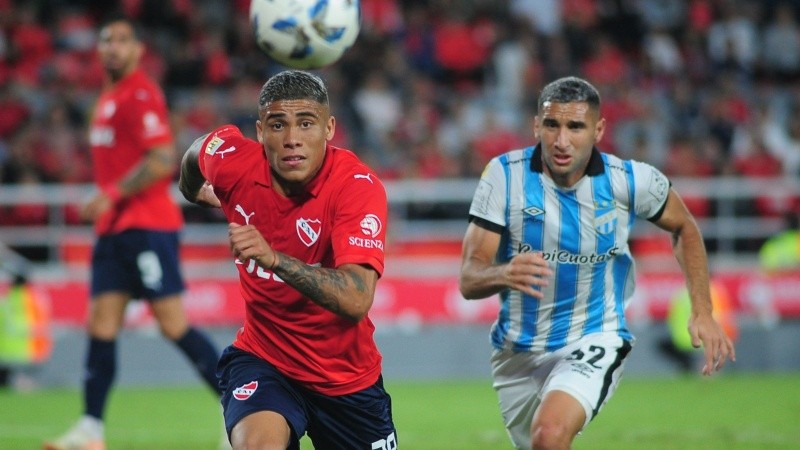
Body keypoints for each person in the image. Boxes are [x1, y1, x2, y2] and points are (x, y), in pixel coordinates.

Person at [458, 76, 736, 450]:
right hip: (517, 352)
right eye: (552, 125)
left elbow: (684, 227)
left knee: (550, 434)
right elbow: (469, 277)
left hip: (595, 335)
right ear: (536, 125)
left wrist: (703, 310)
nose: (561, 140)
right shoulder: (504, 177)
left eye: (575, 127)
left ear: (599, 129)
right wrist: (504, 272)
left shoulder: (630, 180)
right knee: (539, 441)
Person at [178, 70, 397, 450]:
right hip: (264, 361)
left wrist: (274, 259)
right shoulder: (234, 165)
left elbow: (357, 300)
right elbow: (198, 151)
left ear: (329, 129)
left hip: (345, 378)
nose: (292, 139)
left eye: (306, 123)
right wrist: (198, 193)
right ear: (261, 132)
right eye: (278, 125)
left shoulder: (356, 187)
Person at [45, 15, 222, 450]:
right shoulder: (106, 97)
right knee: (101, 322)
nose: (112, 47)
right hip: (114, 230)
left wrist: (111, 193)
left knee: (172, 323)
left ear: (139, 50)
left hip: (146, 225)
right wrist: (108, 201)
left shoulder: (141, 92)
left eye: (122, 40)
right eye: (106, 40)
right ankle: (90, 428)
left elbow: (163, 159)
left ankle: (241, 404)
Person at [659, 278, 739, 373]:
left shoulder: (681, 292)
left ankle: (687, 365)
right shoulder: (714, 292)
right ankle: (704, 370)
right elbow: (719, 318)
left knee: (662, 345)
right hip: (702, 340)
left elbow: (671, 317)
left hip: (680, 340)